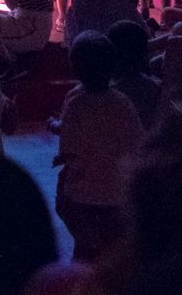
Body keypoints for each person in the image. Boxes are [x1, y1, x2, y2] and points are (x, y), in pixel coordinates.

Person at [53, 31, 143, 261]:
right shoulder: (123, 102)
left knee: (81, 240)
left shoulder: (74, 103)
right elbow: (137, 142)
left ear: (74, 68)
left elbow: (68, 149)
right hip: (117, 192)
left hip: (81, 194)